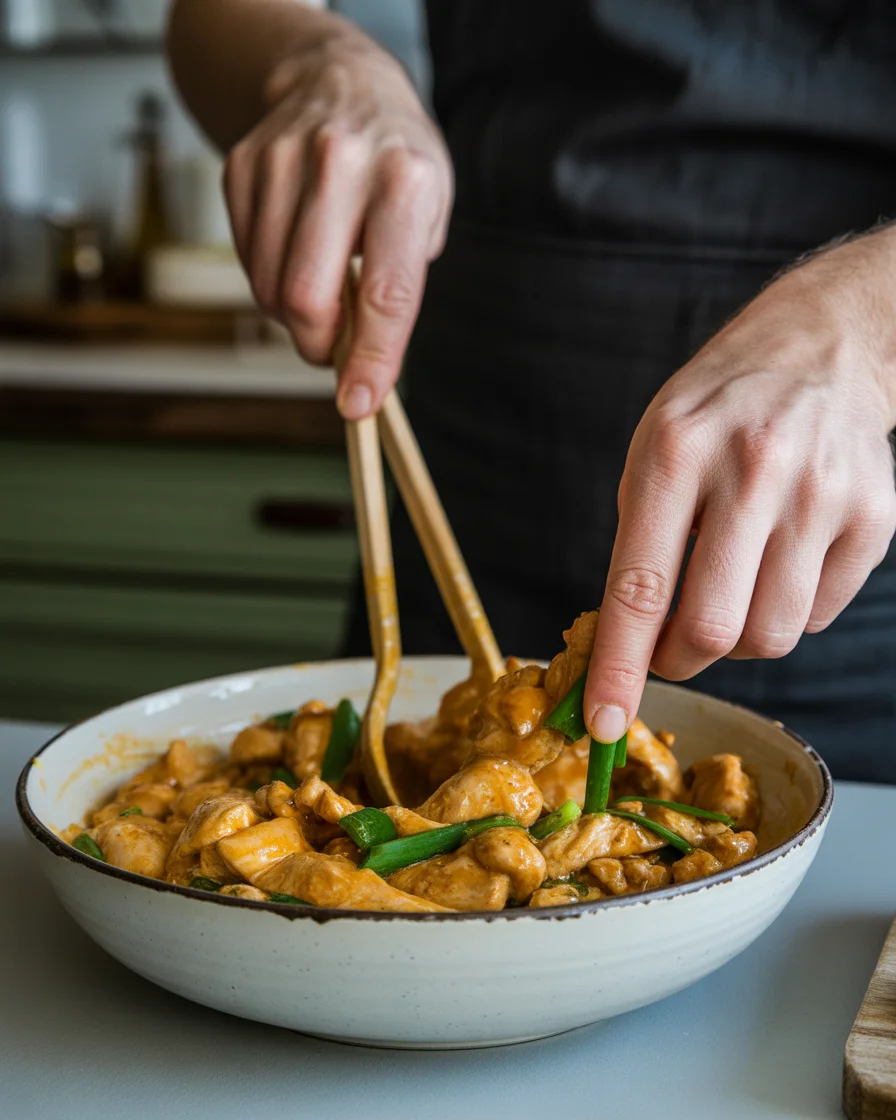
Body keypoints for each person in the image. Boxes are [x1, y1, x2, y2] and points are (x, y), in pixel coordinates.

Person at [167, 1, 896, 781]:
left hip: (846, 493)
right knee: (365, 780)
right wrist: (311, 61)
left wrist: (863, 326)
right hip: (473, 429)